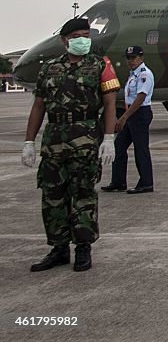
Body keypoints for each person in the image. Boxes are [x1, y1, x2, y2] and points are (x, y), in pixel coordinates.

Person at [20, 17, 118, 272]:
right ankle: (59, 248)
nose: (83, 40)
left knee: (83, 195)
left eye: (86, 35)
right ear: (65, 40)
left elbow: (109, 104)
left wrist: (108, 139)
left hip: (85, 139)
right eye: (77, 36)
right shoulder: (49, 68)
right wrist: (29, 141)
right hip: (54, 141)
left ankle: (83, 249)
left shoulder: (100, 65)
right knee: (52, 196)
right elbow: (39, 106)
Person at [102, 46, 155, 193]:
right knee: (118, 147)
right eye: (128, 58)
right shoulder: (134, 74)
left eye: (134, 58)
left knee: (141, 149)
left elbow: (140, 97)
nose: (130, 61)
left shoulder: (144, 75)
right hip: (132, 113)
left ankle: (146, 183)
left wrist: (124, 117)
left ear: (141, 58)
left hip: (139, 113)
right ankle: (118, 182)